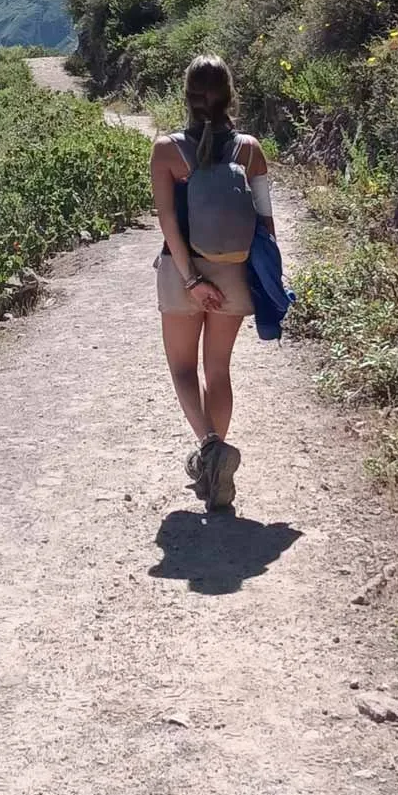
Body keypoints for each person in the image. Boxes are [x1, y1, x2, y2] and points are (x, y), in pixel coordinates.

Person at [151, 54, 275, 510]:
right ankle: (214, 462)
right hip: (234, 275)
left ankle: (209, 449)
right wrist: (263, 284)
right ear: (229, 94)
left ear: (186, 96)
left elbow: (167, 221)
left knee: (183, 370)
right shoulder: (250, 149)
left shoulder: (167, 150)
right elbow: (265, 225)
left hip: (181, 275)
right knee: (217, 369)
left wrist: (190, 280)